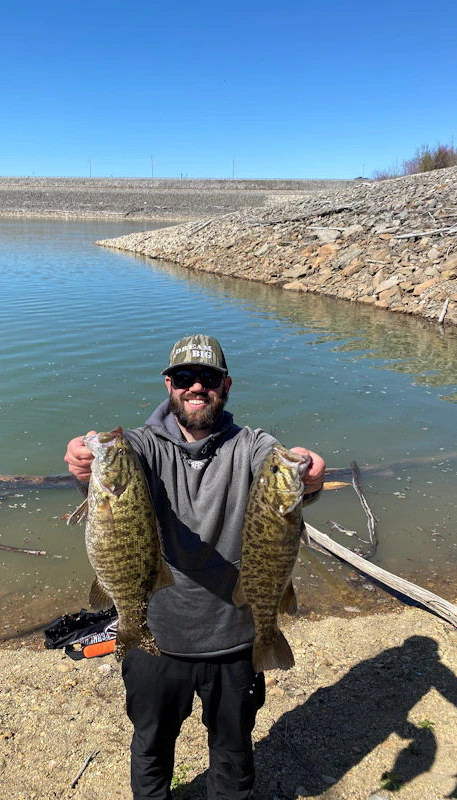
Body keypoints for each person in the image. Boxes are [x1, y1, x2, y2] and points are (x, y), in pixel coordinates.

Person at [64, 334, 326, 800]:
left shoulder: (251, 445)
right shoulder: (140, 446)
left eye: (208, 378)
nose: (196, 387)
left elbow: (284, 470)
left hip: (235, 642)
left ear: (226, 385)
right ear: (169, 384)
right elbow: (108, 464)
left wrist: (310, 473)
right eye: (185, 377)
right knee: (150, 747)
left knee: (233, 752)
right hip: (156, 638)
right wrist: (83, 461)